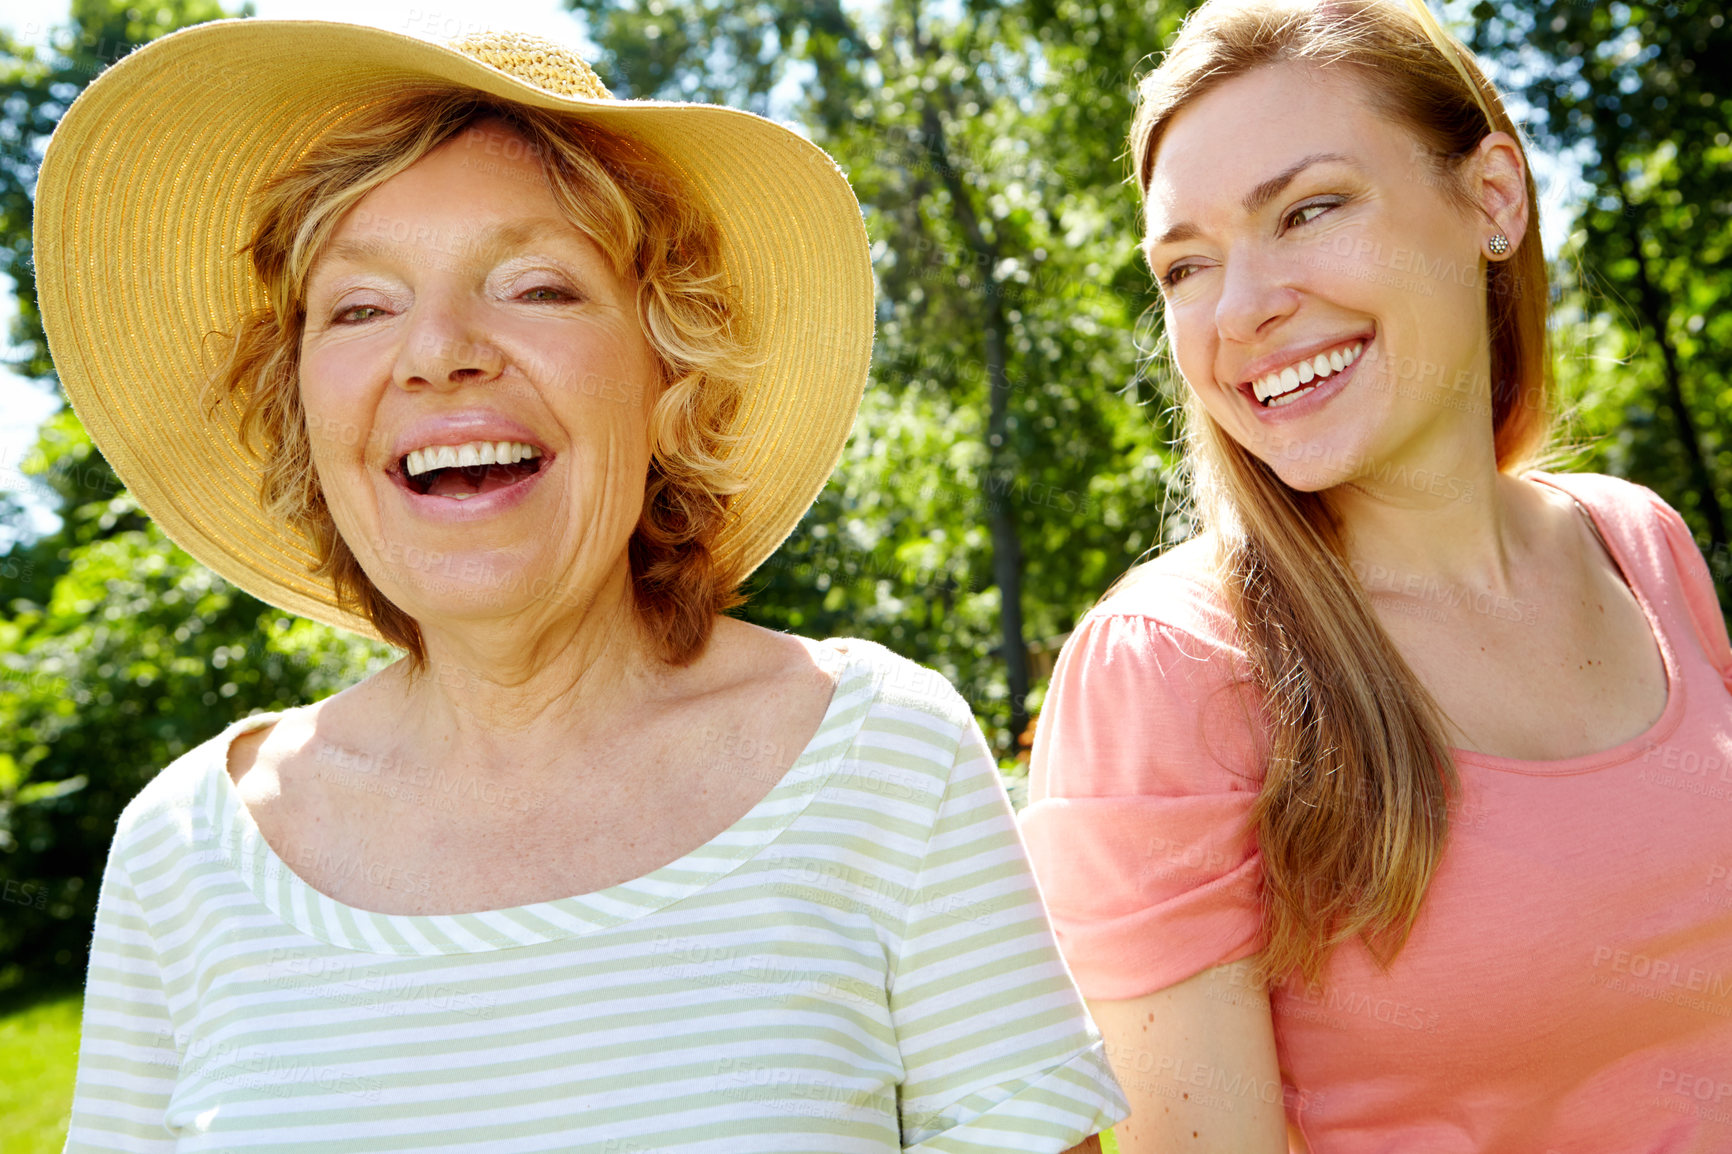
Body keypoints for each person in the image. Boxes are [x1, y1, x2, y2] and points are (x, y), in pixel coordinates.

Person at [37, 19, 1128, 1152]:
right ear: (302, 411)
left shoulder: (885, 758)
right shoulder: (184, 849)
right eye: (362, 306)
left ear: (670, 372)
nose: (439, 350)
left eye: (534, 287)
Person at [1018, 0, 1732, 1151]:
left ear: (1493, 197)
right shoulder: (1171, 666)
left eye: (1307, 210)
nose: (1241, 308)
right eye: (1186, 265)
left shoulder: (1636, 546)